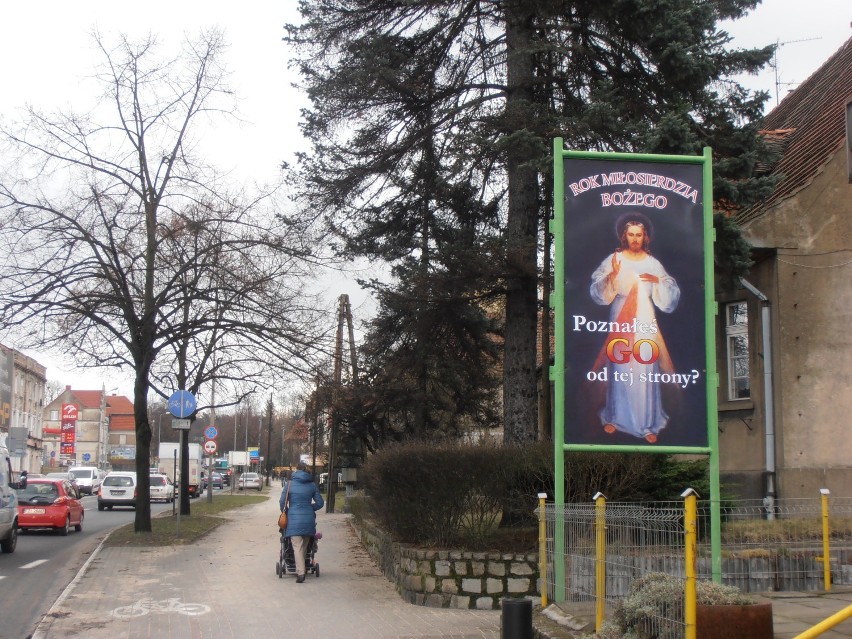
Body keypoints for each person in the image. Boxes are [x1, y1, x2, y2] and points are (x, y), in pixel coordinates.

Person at [589, 212, 680, 443]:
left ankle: (647, 423)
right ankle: (614, 417)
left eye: (639, 235)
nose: (635, 239)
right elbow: (598, 287)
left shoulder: (652, 263)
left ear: (645, 236)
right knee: (619, 367)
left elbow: (669, 289)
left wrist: (658, 281)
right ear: (624, 236)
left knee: (645, 368)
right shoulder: (614, 259)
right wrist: (612, 276)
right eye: (631, 235)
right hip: (620, 315)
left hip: (644, 317)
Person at [279, 461, 324, 583]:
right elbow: (320, 503)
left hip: (293, 519)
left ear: (295, 470)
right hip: (309, 519)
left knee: (297, 546)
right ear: (306, 470)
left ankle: (301, 573)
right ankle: (303, 567)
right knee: (304, 547)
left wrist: (288, 511)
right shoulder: (312, 485)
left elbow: (282, 503)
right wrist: (310, 508)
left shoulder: (289, 485)